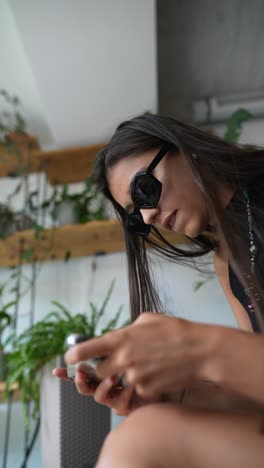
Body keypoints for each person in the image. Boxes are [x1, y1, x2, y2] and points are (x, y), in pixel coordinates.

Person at [53, 113, 264, 467]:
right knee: (145, 429)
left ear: (185, 149)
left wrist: (199, 348)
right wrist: (179, 393)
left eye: (144, 190)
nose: (148, 217)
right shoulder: (226, 263)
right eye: (136, 216)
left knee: (142, 441)